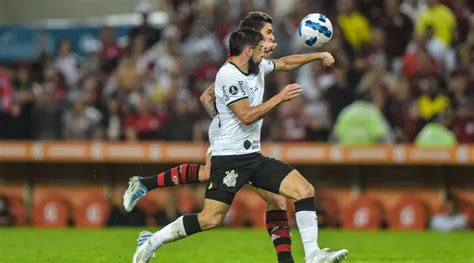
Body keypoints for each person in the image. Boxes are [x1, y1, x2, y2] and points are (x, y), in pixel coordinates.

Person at [131, 27, 348, 263]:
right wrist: (279, 97)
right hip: (230, 159)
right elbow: (245, 115)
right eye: (259, 48)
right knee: (210, 219)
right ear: (247, 50)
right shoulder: (228, 76)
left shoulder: (254, 68)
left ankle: (313, 255)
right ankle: (151, 241)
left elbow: (285, 62)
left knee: (303, 191)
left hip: (252, 157)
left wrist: (317, 56)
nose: (263, 52)